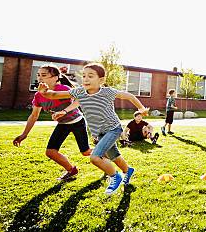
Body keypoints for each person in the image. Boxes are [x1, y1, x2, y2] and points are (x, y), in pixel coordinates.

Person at [40, 63, 149, 195]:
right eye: (84, 76)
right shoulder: (80, 92)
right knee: (114, 156)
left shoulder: (107, 92)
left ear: (101, 80)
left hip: (113, 128)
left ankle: (115, 176)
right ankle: (128, 170)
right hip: (99, 132)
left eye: (90, 76)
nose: (86, 79)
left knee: (95, 157)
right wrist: (45, 92)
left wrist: (141, 108)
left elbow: (129, 96)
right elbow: (55, 95)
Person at [13, 65, 90, 181]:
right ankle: (71, 170)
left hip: (77, 121)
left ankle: (103, 153)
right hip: (63, 124)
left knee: (85, 152)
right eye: (38, 75)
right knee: (50, 152)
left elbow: (80, 99)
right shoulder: (38, 96)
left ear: (56, 78)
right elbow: (34, 115)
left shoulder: (62, 89)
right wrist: (24, 134)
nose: (40, 78)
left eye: (44, 75)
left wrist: (64, 111)